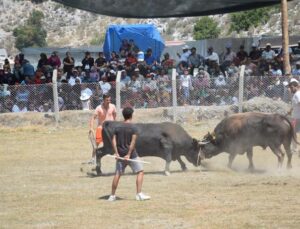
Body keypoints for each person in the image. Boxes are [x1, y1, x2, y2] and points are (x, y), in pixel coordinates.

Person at [107, 107, 150, 201]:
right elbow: (133, 142)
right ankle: (139, 194)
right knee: (140, 172)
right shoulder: (133, 127)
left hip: (120, 154)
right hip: (131, 155)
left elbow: (113, 140)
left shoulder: (117, 127)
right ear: (131, 115)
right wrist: (129, 154)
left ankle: (112, 196)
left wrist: (117, 153)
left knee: (117, 174)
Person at [89, 94, 117, 163]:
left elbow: (115, 115)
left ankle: (118, 156)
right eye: (107, 100)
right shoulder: (99, 108)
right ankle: (93, 159)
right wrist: (91, 128)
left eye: (109, 100)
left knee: (115, 143)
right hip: (101, 128)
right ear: (103, 100)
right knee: (96, 145)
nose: (108, 101)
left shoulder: (113, 106)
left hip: (111, 128)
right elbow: (93, 118)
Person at [288, 79, 300, 156]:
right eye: (290, 87)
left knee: (292, 132)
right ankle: (295, 148)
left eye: (292, 87)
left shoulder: (297, 94)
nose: (291, 89)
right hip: (295, 117)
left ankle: (295, 149)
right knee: (293, 132)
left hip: (296, 118)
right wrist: (290, 110)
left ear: (296, 86)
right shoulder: (296, 94)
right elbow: (295, 105)